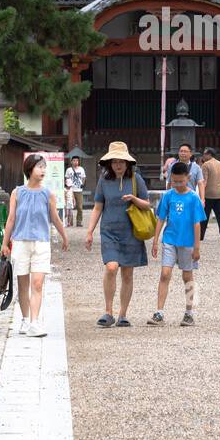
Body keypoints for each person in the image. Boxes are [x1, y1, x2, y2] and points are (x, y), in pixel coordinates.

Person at [1, 154, 70, 338]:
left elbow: (54, 218)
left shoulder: (48, 194)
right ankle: (25, 319)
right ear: (29, 169)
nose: (43, 170)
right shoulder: (17, 193)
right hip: (20, 243)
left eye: (44, 167)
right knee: (22, 284)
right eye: (39, 166)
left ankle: (34, 322)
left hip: (41, 243)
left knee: (37, 283)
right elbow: (11, 219)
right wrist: (4, 243)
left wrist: (64, 236)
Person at [84, 141, 151, 328]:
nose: (118, 165)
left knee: (127, 274)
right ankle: (108, 311)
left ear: (128, 163)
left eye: (122, 161)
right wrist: (89, 231)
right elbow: (98, 207)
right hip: (109, 231)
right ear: (109, 163)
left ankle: (123, 314)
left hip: (131, 231)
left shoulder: (136, 179)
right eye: (114, 162)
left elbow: (147, 204)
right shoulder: (103, 180)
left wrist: (134, 199)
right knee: (112, 267)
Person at [148, 161, 206, 327]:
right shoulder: (168, 196)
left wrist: (197, 248)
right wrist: (155, 240)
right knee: (165, 274)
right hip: (170, 239)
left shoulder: (193, 197)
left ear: (188, 178)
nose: (178, 184)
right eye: (174, 181)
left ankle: (189, 312)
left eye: (181, 181)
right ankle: (159, 312)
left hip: (187, 242)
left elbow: (197, 224)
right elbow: (161, 218)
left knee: (187, 276)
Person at [201, 148, 220, 242]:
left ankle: (201, 235)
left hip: (209, 194)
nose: (203, 156)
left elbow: (204, 181)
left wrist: (201, 194)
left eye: (204, 154)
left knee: (204, 217)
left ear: (209, 154)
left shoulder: (206, 165)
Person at [64, 155, 87, 228]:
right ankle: (70, 222)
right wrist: (66, 186)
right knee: (70, 207)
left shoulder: (81, 169)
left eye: (77, 161)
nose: (76, 162)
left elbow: (84, 178)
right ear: (71, 162)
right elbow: (66, 178)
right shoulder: (69, 170)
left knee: (79, 207)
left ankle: (79, 222)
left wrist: (83, 184)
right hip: (70, 190)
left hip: (79, 190)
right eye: (74, 160)